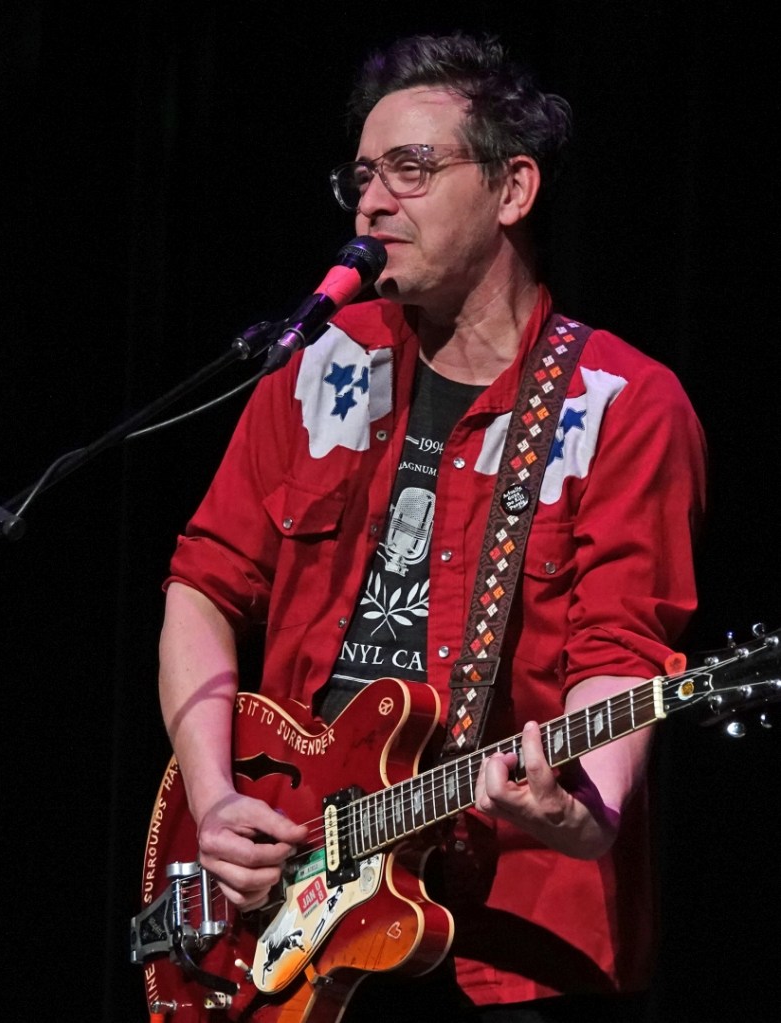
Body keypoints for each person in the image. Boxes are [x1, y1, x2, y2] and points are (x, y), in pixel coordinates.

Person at [157, 30, 707, 1023]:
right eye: (361, 176)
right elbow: (202, 583)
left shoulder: (624, 404)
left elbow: (622, 646)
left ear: (513, 190)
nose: (372, 202)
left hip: (512, 941)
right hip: (289, 912)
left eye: (410, 168)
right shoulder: (320, 362)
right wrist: (213, 799)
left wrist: (587, 809)